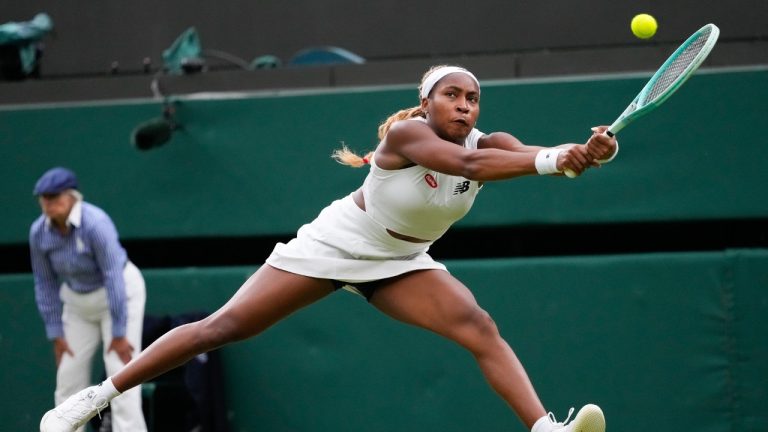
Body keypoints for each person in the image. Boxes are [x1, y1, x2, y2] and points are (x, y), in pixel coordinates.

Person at [40, 65, 617, 432]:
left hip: (403, 259)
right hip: (338, 241)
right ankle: (96, 397)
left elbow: (523, 154)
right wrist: (552, 161)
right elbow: (471, 166)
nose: (464, 106)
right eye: (452, 95)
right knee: (225, 327)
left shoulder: (489, 142)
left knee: (477, 324)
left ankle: (545, 429)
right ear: (426, 101)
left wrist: (584, 152)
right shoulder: (406, 134)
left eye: (473, 98)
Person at [30, 167, 148, 432]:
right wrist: (55, 332)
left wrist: (119, 332)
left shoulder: (96, 223)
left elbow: (113, 276)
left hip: (120, 298)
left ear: (71, 197)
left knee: (123, 377)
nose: (48, 204)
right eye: (44, 198)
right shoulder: (39, 233)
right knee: (68, 380)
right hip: (78, 306)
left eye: (54, 197)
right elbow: (45, 282)